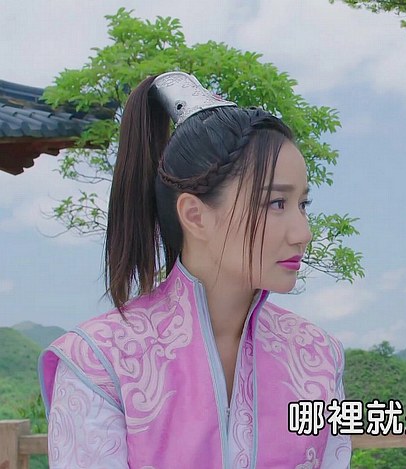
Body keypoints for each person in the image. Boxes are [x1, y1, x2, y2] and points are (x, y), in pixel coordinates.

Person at [38, 72, 351, 468]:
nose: (303, 233)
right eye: (276, 204)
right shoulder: (100, 362)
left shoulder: (317, 355)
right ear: (195, 215)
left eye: (302, 205)